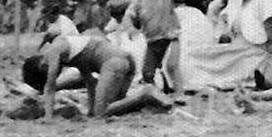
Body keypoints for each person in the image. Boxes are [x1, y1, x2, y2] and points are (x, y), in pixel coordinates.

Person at [181, 0, 272, 92]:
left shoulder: (265, 3)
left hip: (254, 56)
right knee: (191, 57)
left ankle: (255, 79)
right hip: (234, 51)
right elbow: (224, 26)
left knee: (214, 75)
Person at [21, 35, 174, 118]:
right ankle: (148, 99)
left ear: (43, 65)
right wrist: (90, 110)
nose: (58, 73)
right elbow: (89, 81)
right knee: (116, 107)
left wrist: (48, 117)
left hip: (114, 64)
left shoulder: (54, 52)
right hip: (124, 61)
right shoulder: (72, 50)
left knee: (102, 113)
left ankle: (145, 93)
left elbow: (50, 87)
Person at [125, 0, 181, 88]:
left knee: (171, 66)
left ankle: (179, 93)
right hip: (152, 42)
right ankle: (154, 93)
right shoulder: (138, 3)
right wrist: (131, 28)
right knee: (147, 72)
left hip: (171, 39)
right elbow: (128, 17)